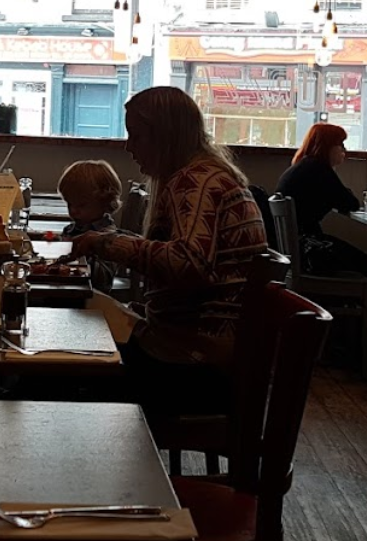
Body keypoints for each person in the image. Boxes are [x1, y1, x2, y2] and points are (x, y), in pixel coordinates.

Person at [65, 87, 268, 406]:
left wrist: (106, 243)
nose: (129, 146)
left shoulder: (195, 182)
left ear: (164, 136)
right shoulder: (210, 175)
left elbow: (190, 263)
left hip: (191, 363)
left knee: (68, 361)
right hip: (209, 354)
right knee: (85, 325)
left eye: (136, 136)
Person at [275, 123, 367, 276]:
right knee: (366, 265)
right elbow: (351, 203)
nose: (344, 149)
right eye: (340, 144)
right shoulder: (319, 170)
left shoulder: (303, 166)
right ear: (328, 146)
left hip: (295, 246)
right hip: (308, 249)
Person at [57, 160, 123, 292]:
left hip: (93, 296)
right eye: (69, 204)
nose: (73, 211)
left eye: (81, 205)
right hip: (69, 289)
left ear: (104, 202)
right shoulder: (71, 229)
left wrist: (85, 254)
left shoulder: (109, 237)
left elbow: (103, 282)